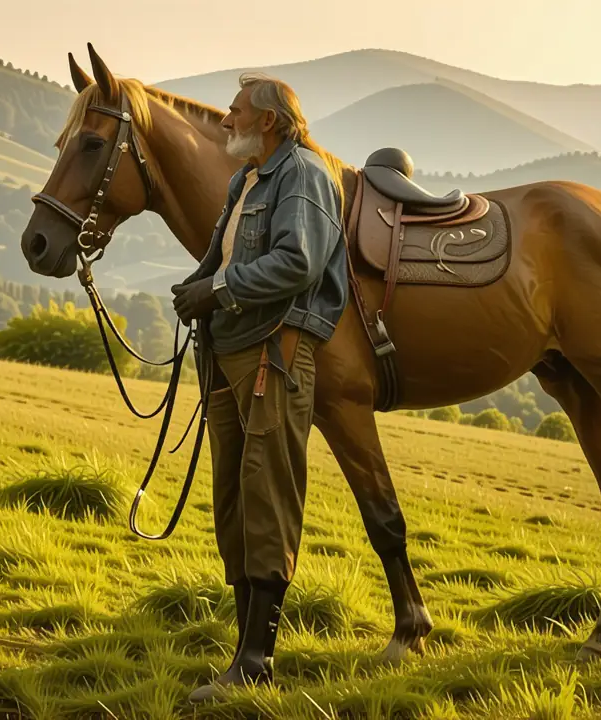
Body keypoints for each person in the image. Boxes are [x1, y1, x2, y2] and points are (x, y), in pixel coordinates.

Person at [170, 71, 350, 703]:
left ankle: (255, 664)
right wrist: (196, 284)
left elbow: (298, 262)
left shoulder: (302, 174)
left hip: (275, 355)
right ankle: (243, 651)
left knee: (266, 497)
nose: (226, 119)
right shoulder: (247, 179)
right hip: (230, 351)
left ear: (268, 121)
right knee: (234, 501)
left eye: (236, 110)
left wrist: (214, 291)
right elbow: (225, 255)